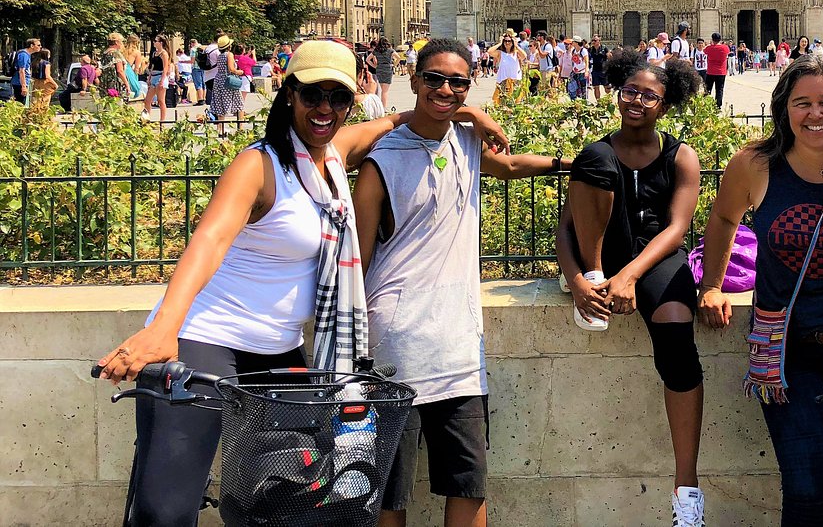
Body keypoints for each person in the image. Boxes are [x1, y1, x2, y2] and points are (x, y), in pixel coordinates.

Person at [94, 40, 507, 526]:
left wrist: (469, 115)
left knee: (286, 503)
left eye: (339, 98)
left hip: (280, 352)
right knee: (167, 507)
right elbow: (209, 239)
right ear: (288, 94)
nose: (325, 108)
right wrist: (164, 328)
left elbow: (398, 121)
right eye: (312, 95)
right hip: (206, 338)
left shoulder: (332, 156)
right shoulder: (259, 165)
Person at [353, 38, 560, 527]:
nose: (445, 89)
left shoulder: (465, 142)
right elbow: (358, 259)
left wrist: (569, 164)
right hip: (393, 345)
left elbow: (508, 166)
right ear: (413, 80)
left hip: (458, 349)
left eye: (458, 82)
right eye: (434, 79)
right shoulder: (381, 159)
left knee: (469, 484)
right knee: (388, 494)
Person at [698, 55, 823, 527]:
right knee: (809, 495)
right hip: (789, 350)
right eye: (802, 102)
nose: (815, 113)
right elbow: (724, 218)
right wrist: (711, 284)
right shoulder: (755, 164)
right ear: (783, 109)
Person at [556, 49, 706, 526]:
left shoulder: (681, 156)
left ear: (667, 104)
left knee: (678, 334)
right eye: (630, 91)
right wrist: (580, 278)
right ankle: (596, 280)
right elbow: (565, 228)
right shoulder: (596, 153)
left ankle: (687, 490)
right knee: (594, 161)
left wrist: (631, 276)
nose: (637, 100)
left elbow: (676, 230)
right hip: (602, 259)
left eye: (650, 95)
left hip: (654, 256)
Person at [207, 35, 244, 126]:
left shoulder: (220, 56)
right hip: (228, 82)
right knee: (239, 104)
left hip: (218, 80)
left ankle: (220, 129)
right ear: (229, 46)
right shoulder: (229, 54)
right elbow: (231, 69)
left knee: (220, 105)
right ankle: (241, 127)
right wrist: (240, 72)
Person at [142, 35, 177, 122]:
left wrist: (162, 80)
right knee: (147, 100)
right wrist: (149, 77)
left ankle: (162, 120)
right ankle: (147, 119)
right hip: (153, 76)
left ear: (160, 43)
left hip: (160, 76)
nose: (154, 42)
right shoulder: (154, 53)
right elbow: (152, 66)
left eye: (155, 41)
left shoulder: (164, 53)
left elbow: (165, 67)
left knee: (160, 100)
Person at [490, 31, 527, 104]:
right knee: (502, 103)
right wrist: (500, 43)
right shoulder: (500, 53)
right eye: (505, 41)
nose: (507, 43)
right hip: (503, 81)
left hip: (515, 81)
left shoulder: (516, 53)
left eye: (509, 41)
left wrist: (516, 45)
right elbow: (489, 51)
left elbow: (524, 56)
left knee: (515, 102)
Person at [97, 32, 132, 100]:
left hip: (104, 84)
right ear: (116, 42)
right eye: (121, 41)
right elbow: (120, 71)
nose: (122, 43)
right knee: (115, 105)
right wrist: (127, 84)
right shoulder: (116, 53)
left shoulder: (105, 53)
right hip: (114, 84)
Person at [9, 36, 40, 106]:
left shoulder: (27, 55)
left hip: (22, 83)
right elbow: (21, 71)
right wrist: (23, 86)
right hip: (19, 84)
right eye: (38, 45)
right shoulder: (23, 55)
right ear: (32, 46)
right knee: (20, 105)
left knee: (22, 104)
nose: (40, 47)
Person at [704, 32, 730, 109]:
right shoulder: (725, 48)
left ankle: (705, 104)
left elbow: (704, 51)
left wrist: (710, 44)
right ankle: (718, 106)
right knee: (719, 89)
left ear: (712, 39)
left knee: (708, 89)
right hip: (721, 72)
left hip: (711, 71)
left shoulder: (709, 48)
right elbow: (728, 54)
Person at [30, 47, 58, 114]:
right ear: (46, 55)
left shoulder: (34, 62)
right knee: (45, 101)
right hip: (45, 83)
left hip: (36, 82)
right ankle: (43, 117)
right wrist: (55, 84)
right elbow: (47, 76)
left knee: (36, 101)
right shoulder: (46, 63)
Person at [373, 38, 396, 109]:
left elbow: (368, 59)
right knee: (385, 91)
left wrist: (375, 66)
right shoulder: (390, 51)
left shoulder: (376, 51)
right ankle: (384, 107)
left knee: (381, 89)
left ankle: (380, 106)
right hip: (387, 69)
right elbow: (398, 57)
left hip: (379, 69)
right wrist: (394, 65)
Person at [565, 35, 590, 100]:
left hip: (582, 72)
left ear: (576, 43)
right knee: (572, 88)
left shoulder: (583, 51)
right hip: (575, 72)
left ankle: (584, 103)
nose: (571, 43)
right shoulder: (574, 51)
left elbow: (586, 61)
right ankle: (573, 101)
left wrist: (586, 71)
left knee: (583, 89)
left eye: (572, 42)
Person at [589, 34, 610, 100]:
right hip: (595, 70)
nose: (593, 42)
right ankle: (598, 102)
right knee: (596, 87)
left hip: (603, 70)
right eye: (592, 40)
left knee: (607, 88)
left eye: (595, 40)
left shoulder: (604, 48)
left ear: (599, 41)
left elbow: (609, 56)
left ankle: (608, 100)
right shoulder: (590, 49)